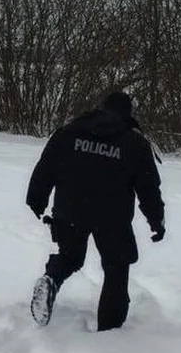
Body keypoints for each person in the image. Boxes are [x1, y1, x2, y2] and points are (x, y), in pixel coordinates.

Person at [26, 92, 165, 331]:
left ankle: (51, 279)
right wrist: (156, 220)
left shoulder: (69, 132)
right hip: (113, 218)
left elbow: (45, 167)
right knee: (116, 269)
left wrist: (36, 199)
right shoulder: (134, 143)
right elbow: (148, 187)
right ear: (127, 114)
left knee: (69, 257)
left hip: (69, 211)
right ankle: (109, 333)